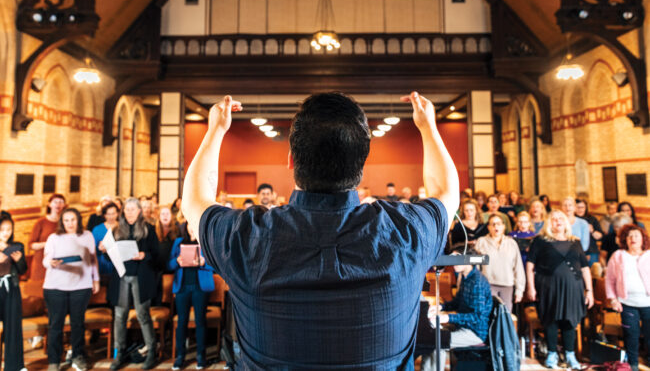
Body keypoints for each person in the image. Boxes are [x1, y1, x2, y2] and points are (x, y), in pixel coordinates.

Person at [182, 92, 459, 368]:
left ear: (291, 160)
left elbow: (194, 201)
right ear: (361, 165)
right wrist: (427, 126)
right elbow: (446, 192)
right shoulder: (405, 231)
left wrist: (216, 130)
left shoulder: (247, 238)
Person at [526, 210, 593, 370]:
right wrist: (531, 287)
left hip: (573, 288)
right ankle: (551, 354)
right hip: (548, 287)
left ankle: (570, 354)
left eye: (560, 219)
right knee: (551, 319)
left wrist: (589, 290)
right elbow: (530, 266)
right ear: (549, 223)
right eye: (554, 219)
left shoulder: (575, 242)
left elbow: (585, 268)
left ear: (566, 222)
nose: (558, 221)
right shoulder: (540, 241)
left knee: (570, 321)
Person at [43, 208, 100, 371]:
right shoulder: (54, 237)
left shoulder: (87, 236)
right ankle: (54, 360)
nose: (70, 223)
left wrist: (95, 279)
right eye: (66, 220)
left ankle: (77, 356)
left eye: (73, 220)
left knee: (78, 324)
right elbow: (46, 258)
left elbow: (93, 258)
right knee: (55, 325)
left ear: (78, 220)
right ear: (62, 222)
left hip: (81, 285)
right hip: (55, 286)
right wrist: (51, 263)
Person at [420, 247, 493, 370]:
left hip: (475, 332)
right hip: (463, 325)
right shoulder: (465, 277)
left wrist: (448, 317)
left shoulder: (477, 282)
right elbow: (457, 302)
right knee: (430, 338)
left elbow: (477, 316)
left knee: (439, 342)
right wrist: (440, 307)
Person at [109, 198, 159, 370]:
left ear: (139, 211)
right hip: (122, 276)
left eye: (133, 209)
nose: (129, 212)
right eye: (127, 209)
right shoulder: (116, 230)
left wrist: (144, 255)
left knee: (142, 314)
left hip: (140, 276)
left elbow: (157, 254)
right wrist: (105, 248)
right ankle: (119, 353)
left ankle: (151, 351)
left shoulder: (148, 229)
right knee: (119, 316)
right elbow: (111, 255)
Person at [168, 222, 215, 370]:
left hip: (199, 287)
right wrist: (176, 261)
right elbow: (169, 265)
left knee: (200, 321)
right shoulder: (178, 242)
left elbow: (215, 264)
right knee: (182, 321)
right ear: (186, 227)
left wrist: (203, 262)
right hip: (182, 287)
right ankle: (180, 356)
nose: (191, 227)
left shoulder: (206, 241)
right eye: (189, 224)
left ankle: (201, 355)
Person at [605, 224, 650, 371]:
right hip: (627, 303)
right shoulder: (618, 256)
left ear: (643, 239)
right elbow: (610, 279)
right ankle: (633, 364)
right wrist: (613, 299)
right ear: (625, 239)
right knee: (631, 334)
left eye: (636, 235)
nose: (633, 239)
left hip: (648, 303)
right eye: (630, 236)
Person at [475, 214, 525, 312]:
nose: (495, 227)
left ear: (503, 226)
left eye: (498, 224)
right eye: (492, 224)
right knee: (488, 315)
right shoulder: (481, 242)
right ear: (488, 227)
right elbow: (476, 267)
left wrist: (520, 290)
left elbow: (518, 267)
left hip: (507, 285)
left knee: (504, 317)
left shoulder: (511, 243)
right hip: (488, 285)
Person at [0, 213, 28, 371]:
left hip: (11, 287)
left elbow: (23, 270)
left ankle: (14, 366)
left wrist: (18, 261)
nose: (6, 232)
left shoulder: (17, 246)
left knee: (13, 327)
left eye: (8, 229)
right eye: (2, 229)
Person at [29, 193, 66, 282]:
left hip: (60, 263)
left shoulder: (65, 222)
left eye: (61, 202)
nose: (58, 204)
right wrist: (48, 243)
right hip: (41, 263)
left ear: (64, 205)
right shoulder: (41, 222)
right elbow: (31, 245)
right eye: (55, 202)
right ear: (49, 204)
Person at [92, 202, 120, 276]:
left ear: (117, 213)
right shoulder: (97, 229)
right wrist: (99, 248)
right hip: (103, 265)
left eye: (113, 213)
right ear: (104, 215)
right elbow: (93, 250)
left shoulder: (123, 227)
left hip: (119, 264)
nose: (111, 217)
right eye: (108, 214)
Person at [575, 198, 603, 265]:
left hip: (591, 251)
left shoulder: (592, 219)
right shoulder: (571, 219)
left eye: (582, 207)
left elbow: (600, 237)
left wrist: (592, 231)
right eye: (578, 207)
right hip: (575, 251)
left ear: (586, 208)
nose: (580, 209)